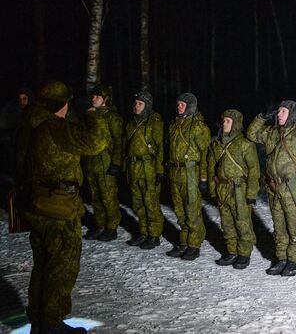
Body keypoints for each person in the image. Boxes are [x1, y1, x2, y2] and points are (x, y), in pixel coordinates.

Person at [23, 81, 108, 334]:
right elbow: (97, 142)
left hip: (37, 204)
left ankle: (40, 321)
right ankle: (51, 324)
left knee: (43, 265)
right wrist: (93, 116)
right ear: (60, 105)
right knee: (62, 266)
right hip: (59, 207)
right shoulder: (55, 128)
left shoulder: (29, 124)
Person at [247, 100, 296, 276]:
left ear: (292, 114)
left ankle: (294, 260)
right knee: (279, 225)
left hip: (293, 187)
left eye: (283, 111)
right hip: (275, 187)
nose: (279, 114)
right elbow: (251, 134)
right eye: (278, 111)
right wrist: (262, 117)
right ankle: (281, 258)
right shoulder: (272, 133)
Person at [208, 109, 260, 269]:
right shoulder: (216, 144)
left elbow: (254, 170)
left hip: (239, 189)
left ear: (236, 124)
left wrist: (251, 193)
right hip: (222, 188)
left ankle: (244, 254)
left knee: (242, 222)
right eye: (223, 120)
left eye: (228, 121)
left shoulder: (245, 144)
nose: (224, 123)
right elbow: (211, 169)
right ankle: (231, 252)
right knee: (226, 222)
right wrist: (212, 190)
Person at [166, 92, 210, 260]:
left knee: (192, 210)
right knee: (179, 210)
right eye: (178, 104)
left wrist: (204, 177)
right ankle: (184, 242)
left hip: (191, 172)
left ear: (190, 106)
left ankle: (194, 244)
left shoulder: (198, 126)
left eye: (182, 104)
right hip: (175, 172)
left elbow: (205, 153)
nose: (179, 107)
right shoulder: (174, 125)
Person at [123, 91, 165, 249]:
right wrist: (124, 167)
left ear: (147, 106)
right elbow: (125, 147)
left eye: (140, 103)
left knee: (151, 203)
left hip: (149, 168)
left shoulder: (154, 123)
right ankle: (144, 233)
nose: (136, 106)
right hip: (133, 168)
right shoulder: (131, 124)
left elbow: (160, 148)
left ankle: (154, 235)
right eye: (135, 103)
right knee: (137, 203)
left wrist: (159, 170)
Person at [82, 84, 124, 242]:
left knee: (108, 196)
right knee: (95, 196)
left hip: (106, 162)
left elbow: (118, 141)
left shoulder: (113, 117)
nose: (94, 99)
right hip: (91, 161)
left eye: (97, 96)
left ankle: (111, 227)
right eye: (93, 96)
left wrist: (116, 163)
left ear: (105, 99)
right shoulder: (89, 114)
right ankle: (100, 225)